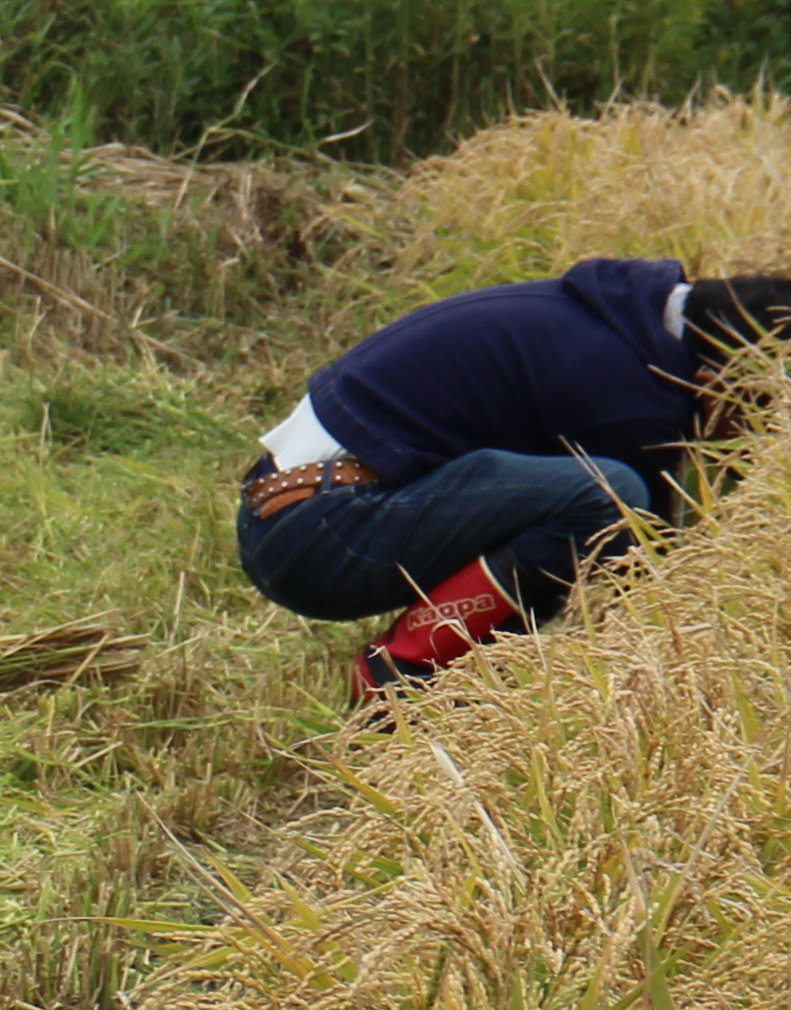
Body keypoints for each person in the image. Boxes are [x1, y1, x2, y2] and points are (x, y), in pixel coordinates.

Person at [237, 257, 791, 706]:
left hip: (293, 512)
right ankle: (402, 672)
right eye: (762, 413)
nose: (754, 439)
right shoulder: (629, 396)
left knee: (578, 509)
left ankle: (448, 673)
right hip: (324, 536)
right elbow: (657, 578)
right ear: (715, 381)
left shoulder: (618, 321)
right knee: (608, 496)